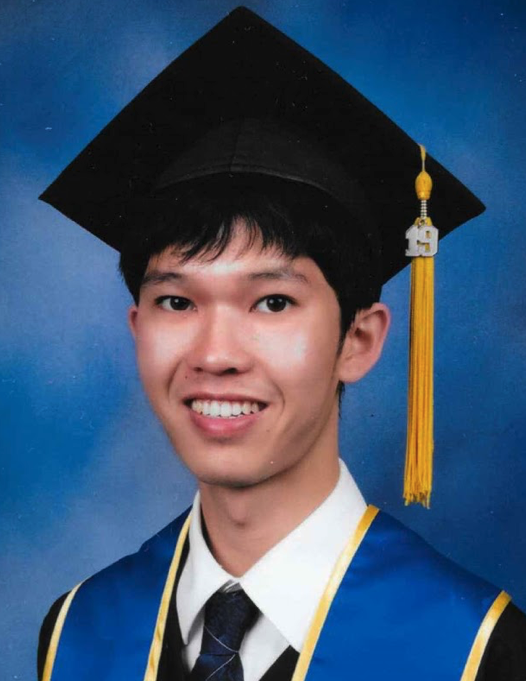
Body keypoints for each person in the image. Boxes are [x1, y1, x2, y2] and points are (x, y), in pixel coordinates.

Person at [37, 7, 526, 681]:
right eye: (176, 301)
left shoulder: (478, 650)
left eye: (272, 302)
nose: (216, 354)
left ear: (358, 339)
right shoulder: (77, 631)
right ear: (137, 328)